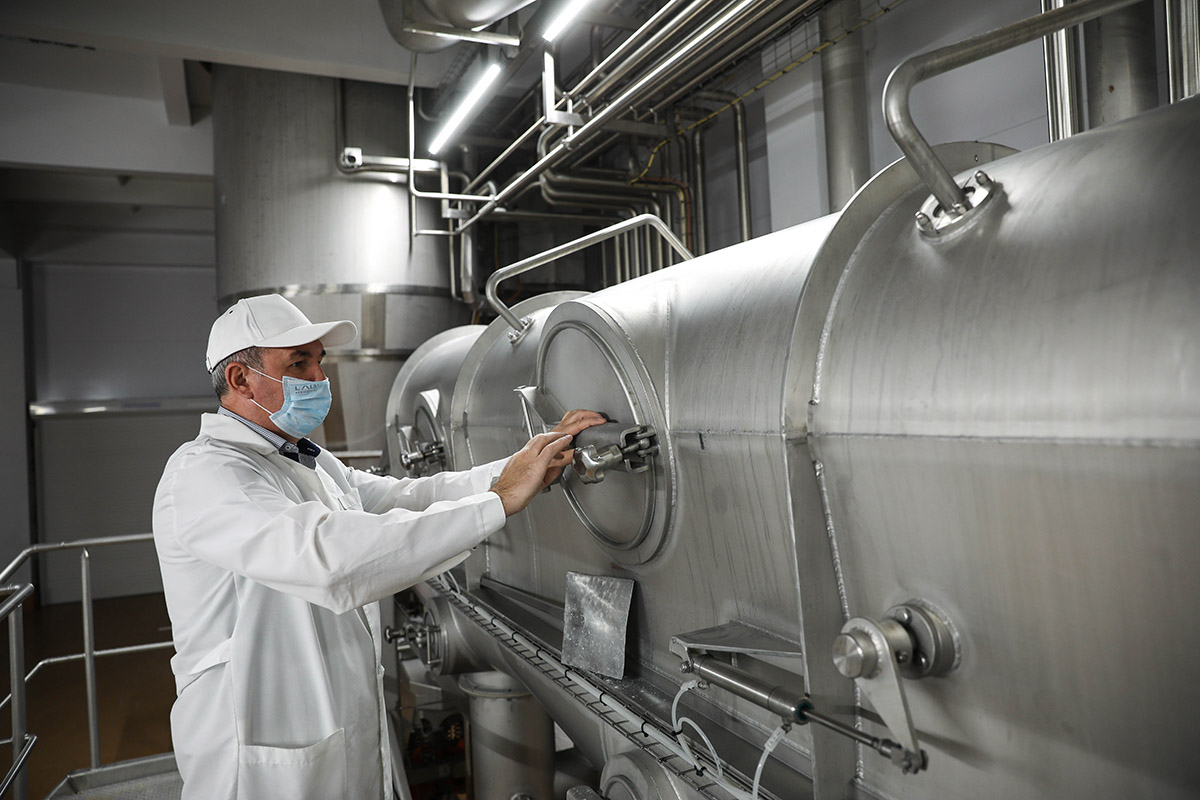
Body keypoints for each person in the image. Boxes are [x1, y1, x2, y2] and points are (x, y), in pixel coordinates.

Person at [152, 294, 604, 800]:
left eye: (319, 361)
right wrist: (498, 502)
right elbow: (329, 559)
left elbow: (406, 497)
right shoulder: (206, 474)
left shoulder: (306, 460)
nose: (319, 378)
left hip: (337, 728)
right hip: (259, 755)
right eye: (298, 364)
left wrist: (520, 467)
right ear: (240, 379)